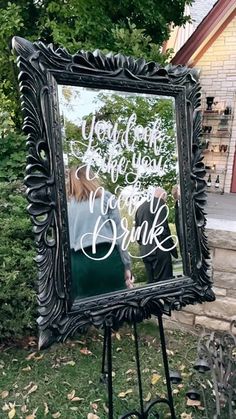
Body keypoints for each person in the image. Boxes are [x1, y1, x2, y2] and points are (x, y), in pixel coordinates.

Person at [67, 166, 133, 299]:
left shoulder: (66, 206)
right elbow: (119, 235)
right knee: (116, 306)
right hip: (106, 257)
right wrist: (127, 266)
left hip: (79, 262)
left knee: (86, 311)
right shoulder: (106, 197)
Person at [135, 187, 178, 283]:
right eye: (165, 199)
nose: (165, 202)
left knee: (151, 284)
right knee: (164, 283)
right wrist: (172, 249)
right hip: (159, 249)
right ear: (162, 196)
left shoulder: (140, 208)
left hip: (145, 251)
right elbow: (163, 230)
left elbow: (137, 234)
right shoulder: (160, 204)